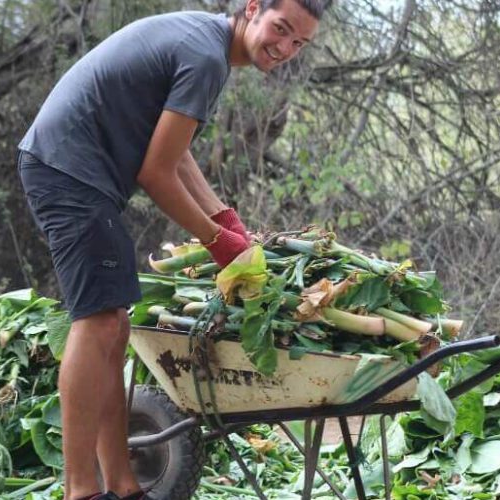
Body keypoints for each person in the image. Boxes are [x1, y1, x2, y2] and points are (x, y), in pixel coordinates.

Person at [16, 1, 322, 498]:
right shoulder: (205, 58)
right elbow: (155, 173)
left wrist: (225, 216)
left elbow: (175, 154)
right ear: (252, 9)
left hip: (80, 173)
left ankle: (121, 482)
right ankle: (79, 489)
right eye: (280, 29)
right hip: (68, 167)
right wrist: (218, 241)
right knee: (97, 322)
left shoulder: (208, 44)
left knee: (114, 325)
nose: (284, 48)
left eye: (298, 43)